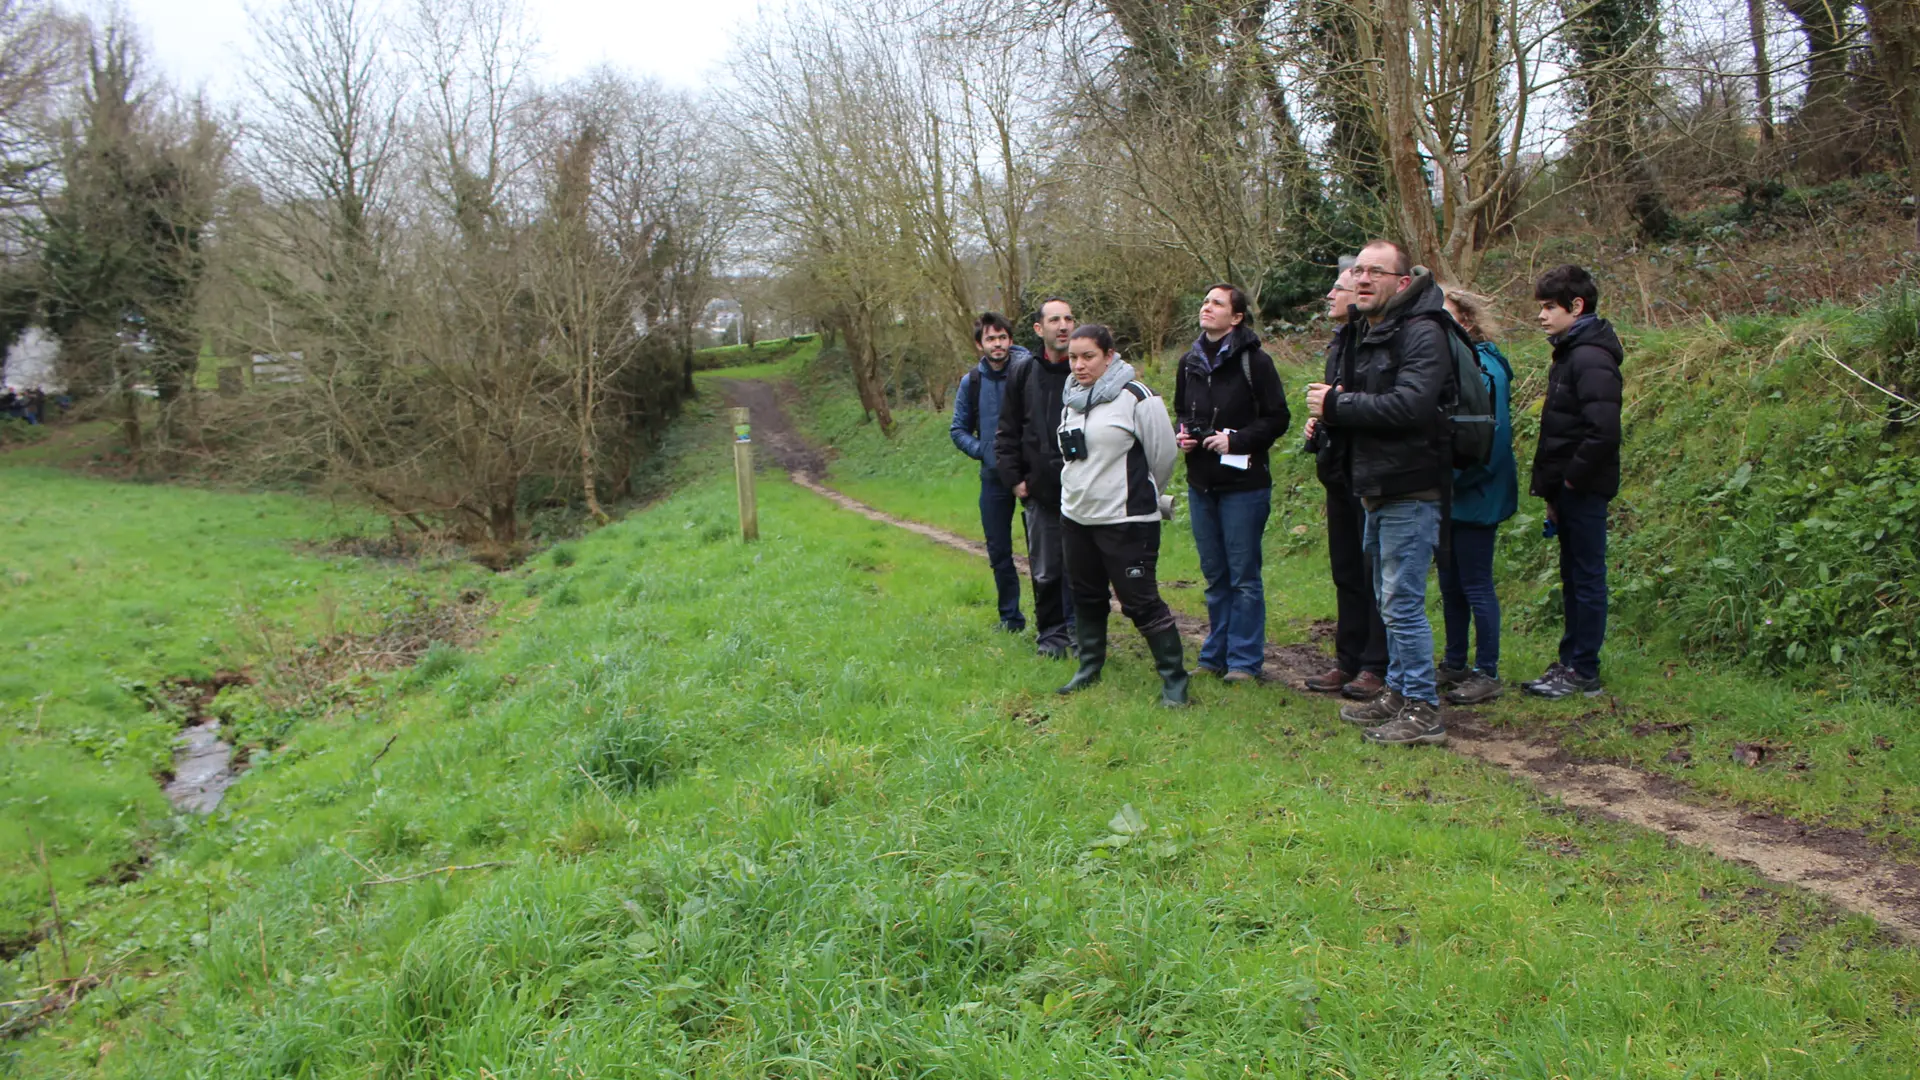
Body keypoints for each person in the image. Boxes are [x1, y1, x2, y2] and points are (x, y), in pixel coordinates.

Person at [1306, 239, 1451, 746]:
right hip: (1374, 487)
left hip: (1410, 486)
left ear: (1403, 283)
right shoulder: (1373, 332)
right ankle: (1399, 689)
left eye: (1376, 273)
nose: (1363, 280)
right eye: (1359, 272)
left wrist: (1338, 406)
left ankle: (1423, 709)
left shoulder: (1424, 333)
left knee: (1402, 602)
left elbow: (1410, 406)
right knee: (1388, 600)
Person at [1052, 324, 1188, 706]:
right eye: (1073, 358)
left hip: (1126, 521)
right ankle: (1089, 667)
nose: (1078, 365)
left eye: (1088, 357)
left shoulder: (1137, 397)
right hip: (1076, 517)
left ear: (1109, 356)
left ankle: (1175, 681)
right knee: (1086, 596)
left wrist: (1144, 496)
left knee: (1140, 602)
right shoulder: (1071, 400)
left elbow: (1163, 457)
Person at [1174, 283, 1290, 683]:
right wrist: (1184, 435)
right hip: (1201, 482)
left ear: (1236, 317)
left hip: (1244, 485)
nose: (1207, 307)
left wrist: (1235, 440)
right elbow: (1179, 412)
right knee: (1215, 575)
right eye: (1205, 300)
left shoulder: (1255, 363)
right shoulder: (1188, 361)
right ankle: (1214, 655)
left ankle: (1243, 661)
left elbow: (1278, 418)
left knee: (1243, 576)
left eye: (1217, 303)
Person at [1524, 265, 1623, 700]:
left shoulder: (1590, 356)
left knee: (1586, 577)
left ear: (1576, 306)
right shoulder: (1569, 352)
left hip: (1583, 489)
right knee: (1573, 576)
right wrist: (1552, 490)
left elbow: (1602, 430)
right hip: (1567, 490)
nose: (1542, 316)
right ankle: (1570, 661)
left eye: (1549, 307)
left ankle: (1584, 669)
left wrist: (1569, 483)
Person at [1302, 263, 1390, 701]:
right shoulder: (1340, 343)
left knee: (1374, 572)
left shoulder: (1375, 341)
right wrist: (1320, 425)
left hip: (1369, 474)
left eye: (1338, 288)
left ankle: (1376, 664)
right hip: (1338, 470)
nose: (1330, 296)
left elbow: (1373, 404)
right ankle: (1348, 660)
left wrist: (1336, 406)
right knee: (1346, 572)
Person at [1434, 290, 1517, 705]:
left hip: (1476, 492)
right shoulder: (1456, 366)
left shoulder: (1485, 369)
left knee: (1476, 583)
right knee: (1450, 583)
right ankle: (1454, 661)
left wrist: (1450, 479)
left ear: (1466, 320)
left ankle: (1488, 670)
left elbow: (1490, 442)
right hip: (1449, 494)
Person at [995, 298, 1079, 659]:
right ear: (1038, 329)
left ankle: (1082, 636)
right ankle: (1052, 637)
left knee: (1083, 569)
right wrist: (1016, 480)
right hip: (1039, 489)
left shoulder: (1088, 370)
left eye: (1069, 319)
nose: (1063, 326)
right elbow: (1007, 431)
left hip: (1085, 490)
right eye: (1055, 319)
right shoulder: (1023, 372)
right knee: (1045, 570)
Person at [951, 312, 1031, 633]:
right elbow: (958, 429)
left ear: (1010, 340)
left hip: (1031, 476)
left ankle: (1053, 622)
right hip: (993, 479)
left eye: (1002, 338)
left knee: (1044, 552)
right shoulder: (972, 382)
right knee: (999, 552)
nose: (997, 344)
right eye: (990, 339)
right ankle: (1010, 619)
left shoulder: (1029, 372)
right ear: (979, 344)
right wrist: (983, 450)